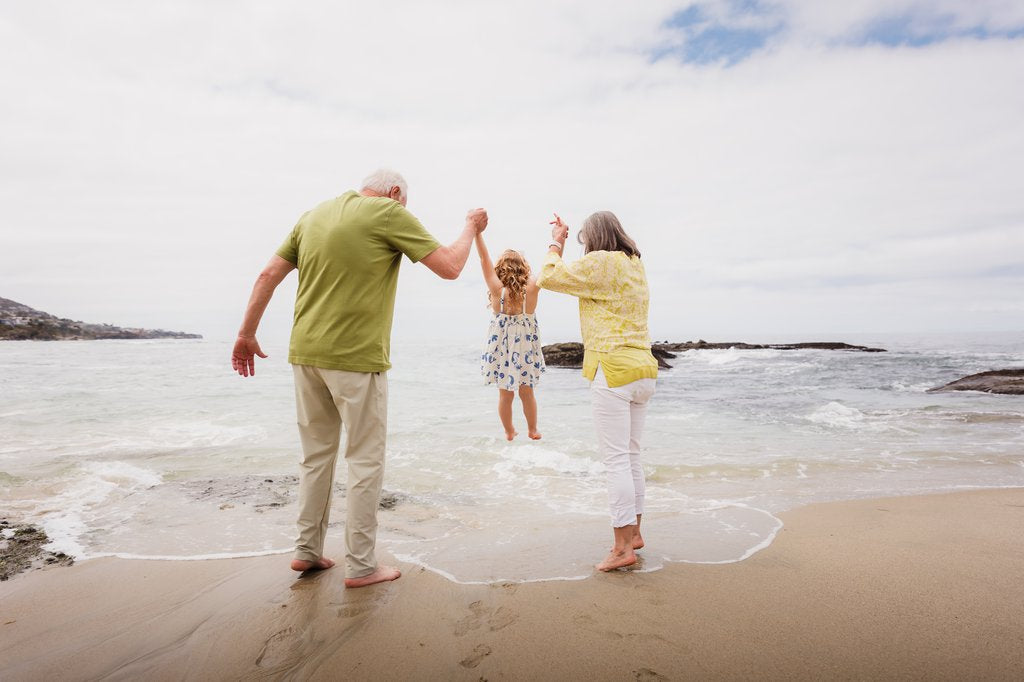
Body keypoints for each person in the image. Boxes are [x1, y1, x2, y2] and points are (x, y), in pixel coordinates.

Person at [231, 168, 487, 588]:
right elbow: (451, 267)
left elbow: (267, 276)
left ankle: (306, 551)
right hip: (355, 358)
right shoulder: (388, 211)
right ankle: (362, 565)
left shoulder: (313, 216)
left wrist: (246, 334)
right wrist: (471, 227)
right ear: (394, 193)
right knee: (365, 460)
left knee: (315, 457)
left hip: (305, 354)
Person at [537, 211, 658, 572]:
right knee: (631, 456)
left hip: (613, 368)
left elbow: (548, 276)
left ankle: (622, 549)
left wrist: (556, 241)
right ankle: (634, 534)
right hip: (643, 368)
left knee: (616, 461)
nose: (585, 246)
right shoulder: (634, 264)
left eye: (585, 240)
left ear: (594, 237)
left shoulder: (601, 262)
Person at [475, 233, 545, 440]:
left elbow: (483, 258)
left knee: (505, 395)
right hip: (525, 350)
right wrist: (559, 241)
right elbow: (551, 267)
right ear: (524, 269)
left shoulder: (497, 291)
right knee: (527, 392)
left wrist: (477, 234)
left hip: (502, 351)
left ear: (500, 269)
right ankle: (532, 430)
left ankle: (509, 431)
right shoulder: (531, 290)